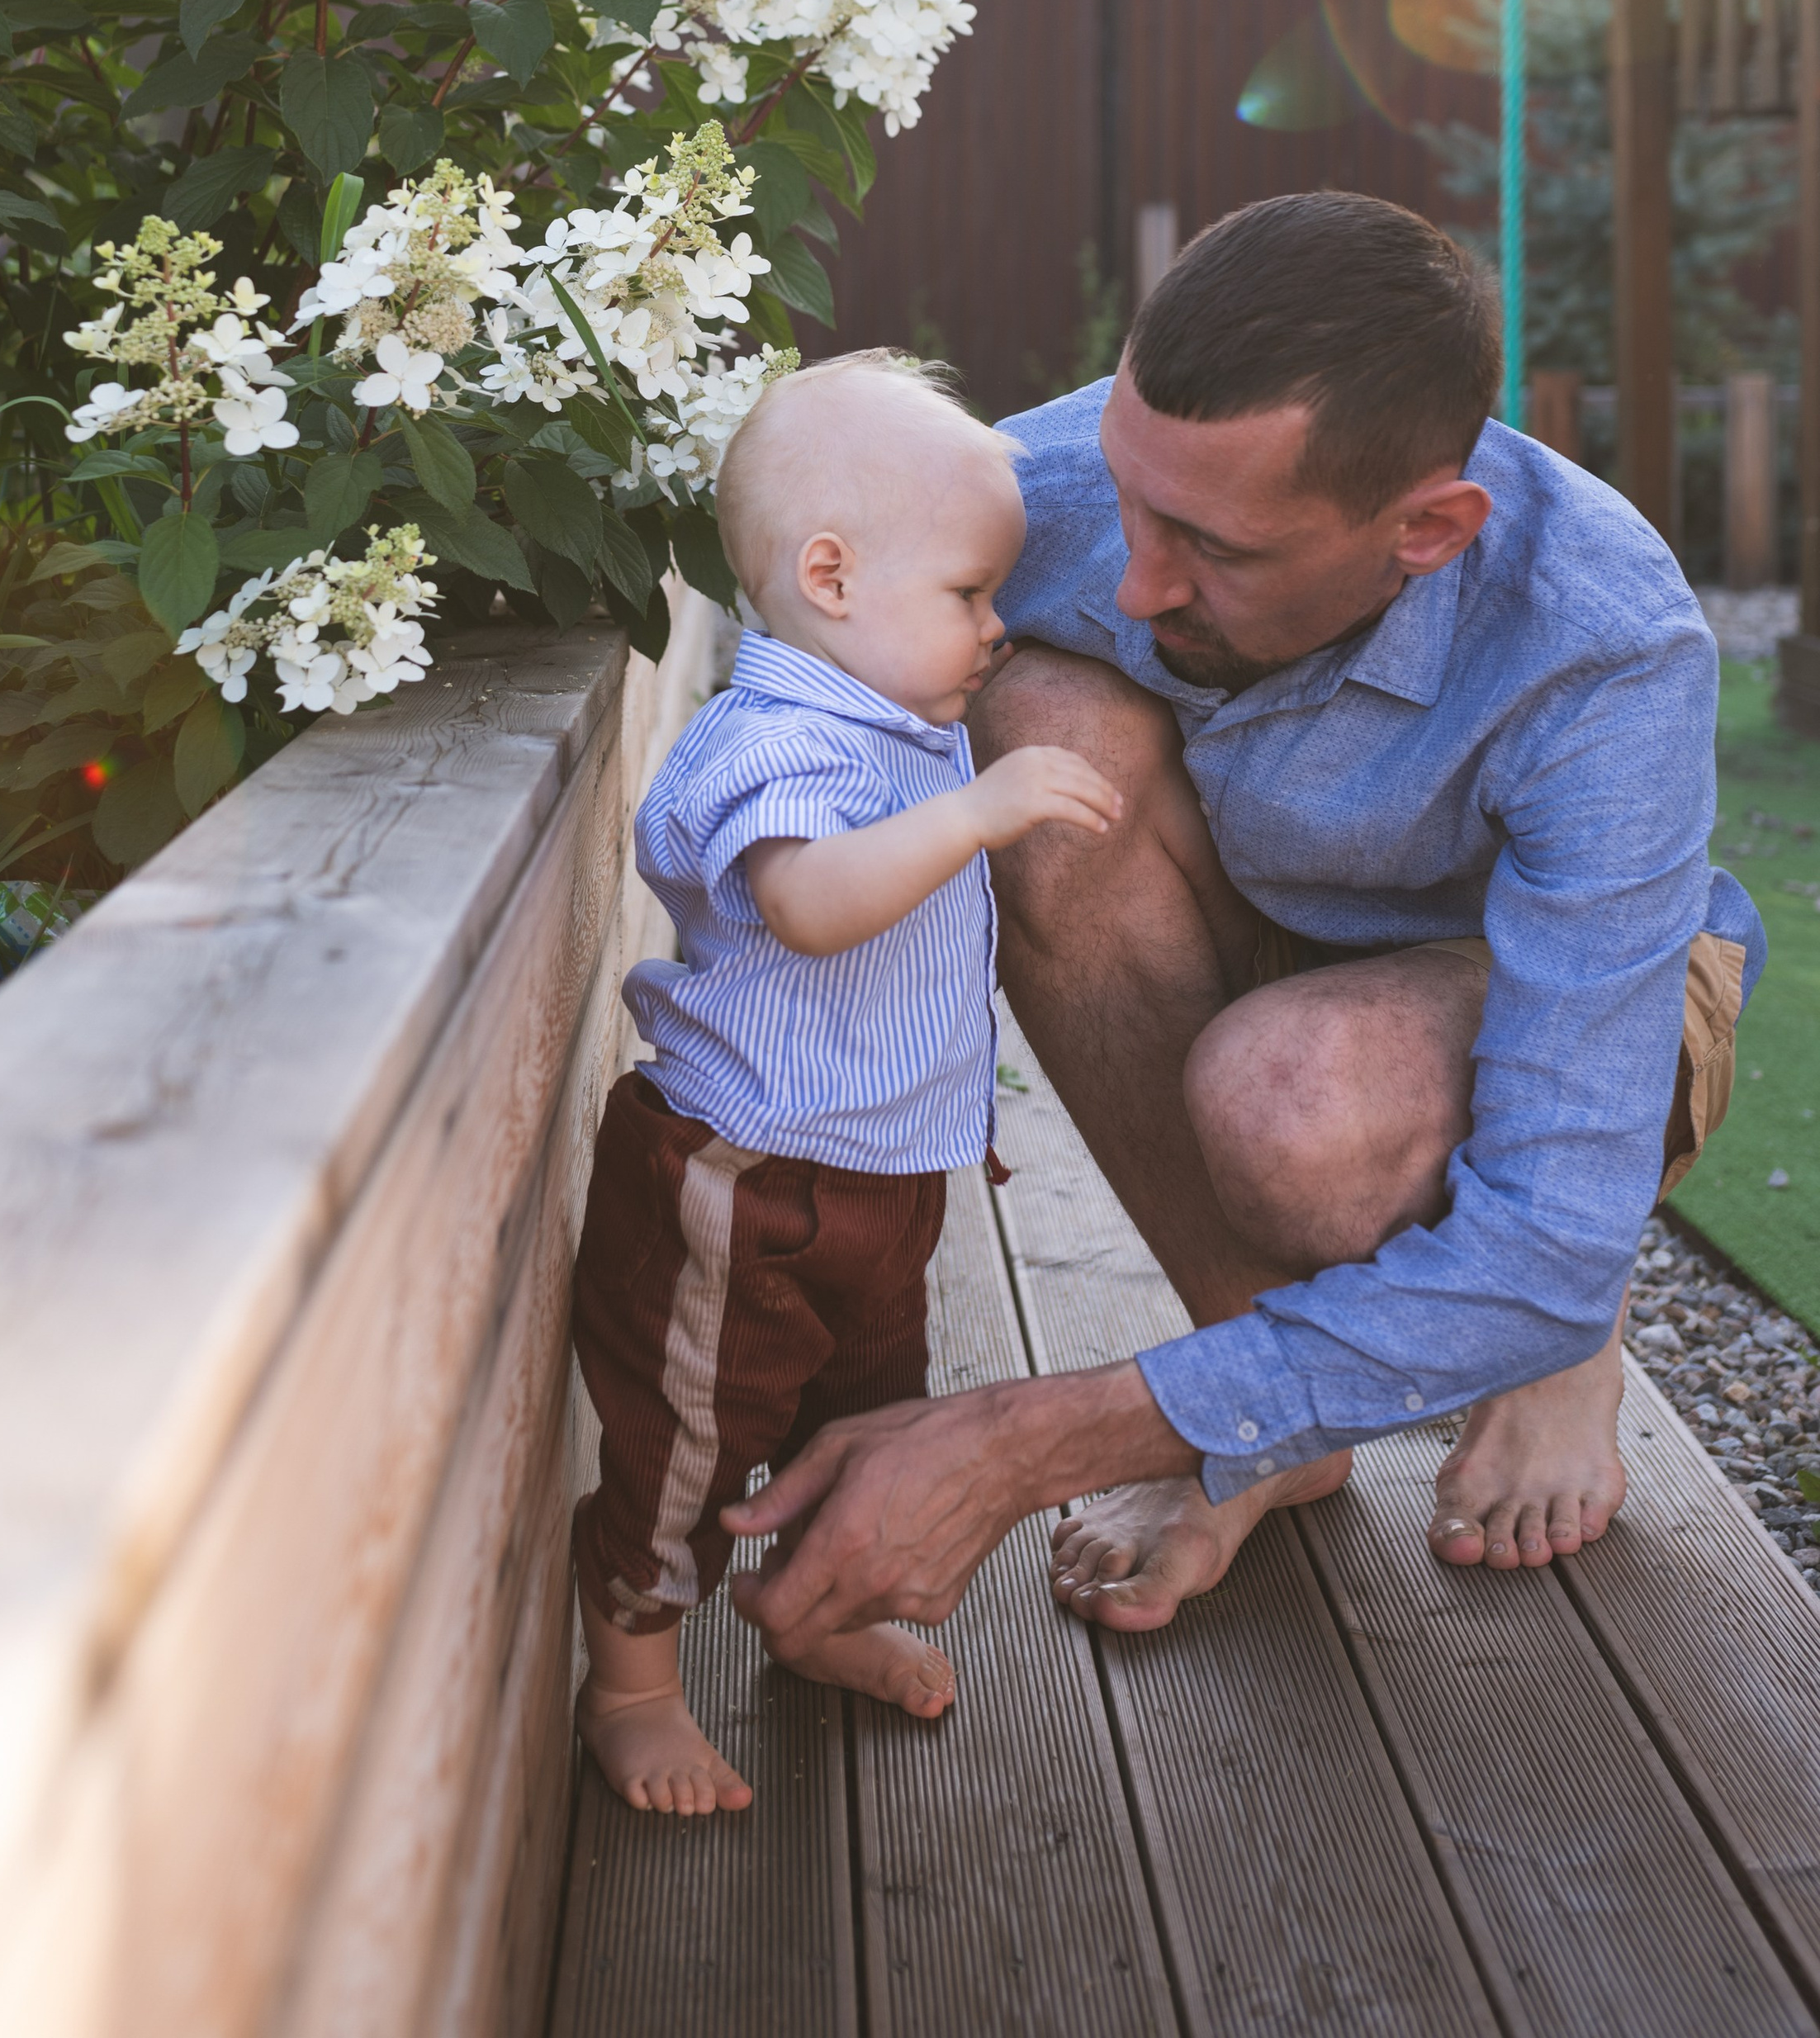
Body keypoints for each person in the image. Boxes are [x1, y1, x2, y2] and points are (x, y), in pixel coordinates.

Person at [720, 191, 1756, 1659]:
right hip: (1266, 907)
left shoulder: (1604, 645)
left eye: (1212, 549)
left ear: (1426, 531)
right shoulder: (1059, 484)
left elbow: (1542, 1224)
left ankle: (1562, 1339)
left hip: (1551, 989)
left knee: (1307, 1113)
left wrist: (1021, 1439)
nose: (1134, 582)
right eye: (1130, 502)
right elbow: (805, 680)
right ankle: (1268, 1432)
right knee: (1029, 723)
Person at [568, 352, 1120, 1815]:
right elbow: (810, 902)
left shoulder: (894, 725)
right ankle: (627, 1684)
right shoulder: (777, 742)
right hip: (743, 1189)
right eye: (970, 596)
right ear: (828, 573)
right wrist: (983, 809)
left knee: (858, 1422)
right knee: (686, 1445)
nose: (997, 629)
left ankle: (814, 1615)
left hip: (878, 1185)